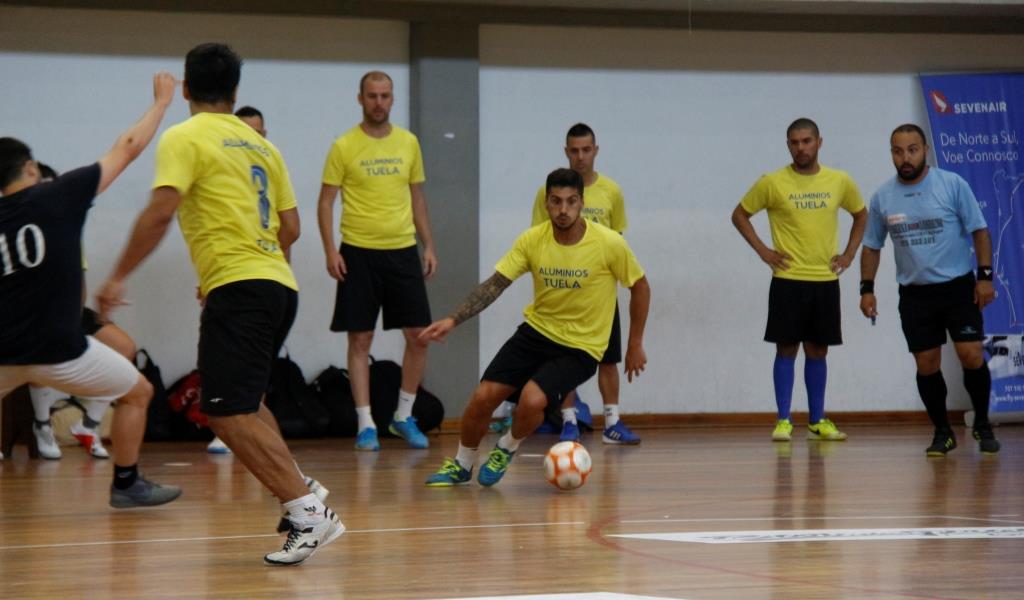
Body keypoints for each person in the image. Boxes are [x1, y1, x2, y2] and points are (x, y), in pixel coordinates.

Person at [96, 43, 342, 565]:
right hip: (278, 286)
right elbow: (291, 227)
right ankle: (302, 489)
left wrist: (117, 276)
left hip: (241, 287)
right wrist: (253, 256)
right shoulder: (263, 147)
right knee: (245, 402)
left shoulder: (185, 136)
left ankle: (307, 512)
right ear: (234, 91)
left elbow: (160, 213)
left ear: (186, 88)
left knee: (224, 412)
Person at [0, 73, 180, 508]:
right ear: (31, 168)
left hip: (3, 353)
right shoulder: (59, 195)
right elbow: (128, 147)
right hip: (62, 352)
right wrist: (161, 103)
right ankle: (126, 484)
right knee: (138, 393)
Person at [421, 168, 650, 487]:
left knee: (531, 400)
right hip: (537, 332)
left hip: (582, 346)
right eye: (556, 201)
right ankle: (462, 464)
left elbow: (640, 287)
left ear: (582, 203)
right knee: (482, 397)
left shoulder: (609, 243)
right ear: (546, 203)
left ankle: (505, 448)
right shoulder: (532, 240)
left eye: (571, 201)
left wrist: (635, 343)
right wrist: (453, 319)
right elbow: (495, 285)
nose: (563, 209)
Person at [491, 123, 639, 445]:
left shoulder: (611, 191)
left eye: (586, 150)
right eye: (574, 150)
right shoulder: (546, 194)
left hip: (598, 292)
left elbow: (619, 240)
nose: (580, 156)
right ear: (566, 152)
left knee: (608, 357)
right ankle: (569, 419)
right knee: (563, 357)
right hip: (561, 291)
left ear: (596, 151)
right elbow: (537, 240)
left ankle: (612, 421)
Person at [860, 123, 1000, 456]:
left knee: (971, 354)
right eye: (898, 151)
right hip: (915, 294)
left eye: (912, 150)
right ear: (892, 154)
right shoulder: (883, 197)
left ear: (925, 150)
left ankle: (982, 424)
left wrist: (985, 277)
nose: (905, 158)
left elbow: (979, 231)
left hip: (958, 288)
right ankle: (942, 432)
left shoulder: (952, 184)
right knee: (926, 363)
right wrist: (866, 289)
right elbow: (872, 246)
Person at [316, 70, 438, 451]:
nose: (379, 102)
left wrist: (428, 245)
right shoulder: (344, 145)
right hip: (358, 250)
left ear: (392, 98)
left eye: (385, 96)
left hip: (402, 250)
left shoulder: (408, 143)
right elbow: (325, 202)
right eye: (372, 96)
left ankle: (403, 415)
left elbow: (417, 197)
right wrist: (331, 250)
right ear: (360, 99)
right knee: (361, 338)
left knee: (419, 336)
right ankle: (365, 423)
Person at [731, 118, 867, 442]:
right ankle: (783, 420)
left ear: (819, 142)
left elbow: (861, 214)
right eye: (794, 142)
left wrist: (849, 255)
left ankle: (817, 420)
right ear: (788, 145)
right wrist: (764, 252)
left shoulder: (840, 180)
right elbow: (739, 215)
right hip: (788, 280)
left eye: (806, 141)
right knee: (786, 349)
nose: (801, 147)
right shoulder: (772, 182)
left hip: (824, 279)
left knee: (818, 351)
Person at [28, 163, 139, 461]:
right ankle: (42, 424)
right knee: (39, 355)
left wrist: (76, 319)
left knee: (125, 348)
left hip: (69, 312)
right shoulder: (20, 228)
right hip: (32, 315)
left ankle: (88, 425)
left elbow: (80, 285)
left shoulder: (67, 229)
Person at [205, 104, 268, 456]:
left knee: (249, 375)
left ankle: (232, 426)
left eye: (256, 133)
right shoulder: (225, 176)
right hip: (231, 278)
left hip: (257, 281)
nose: (250, 139)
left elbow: (289, 229)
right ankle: (294, 476)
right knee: (240, 373)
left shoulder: (268, 167)